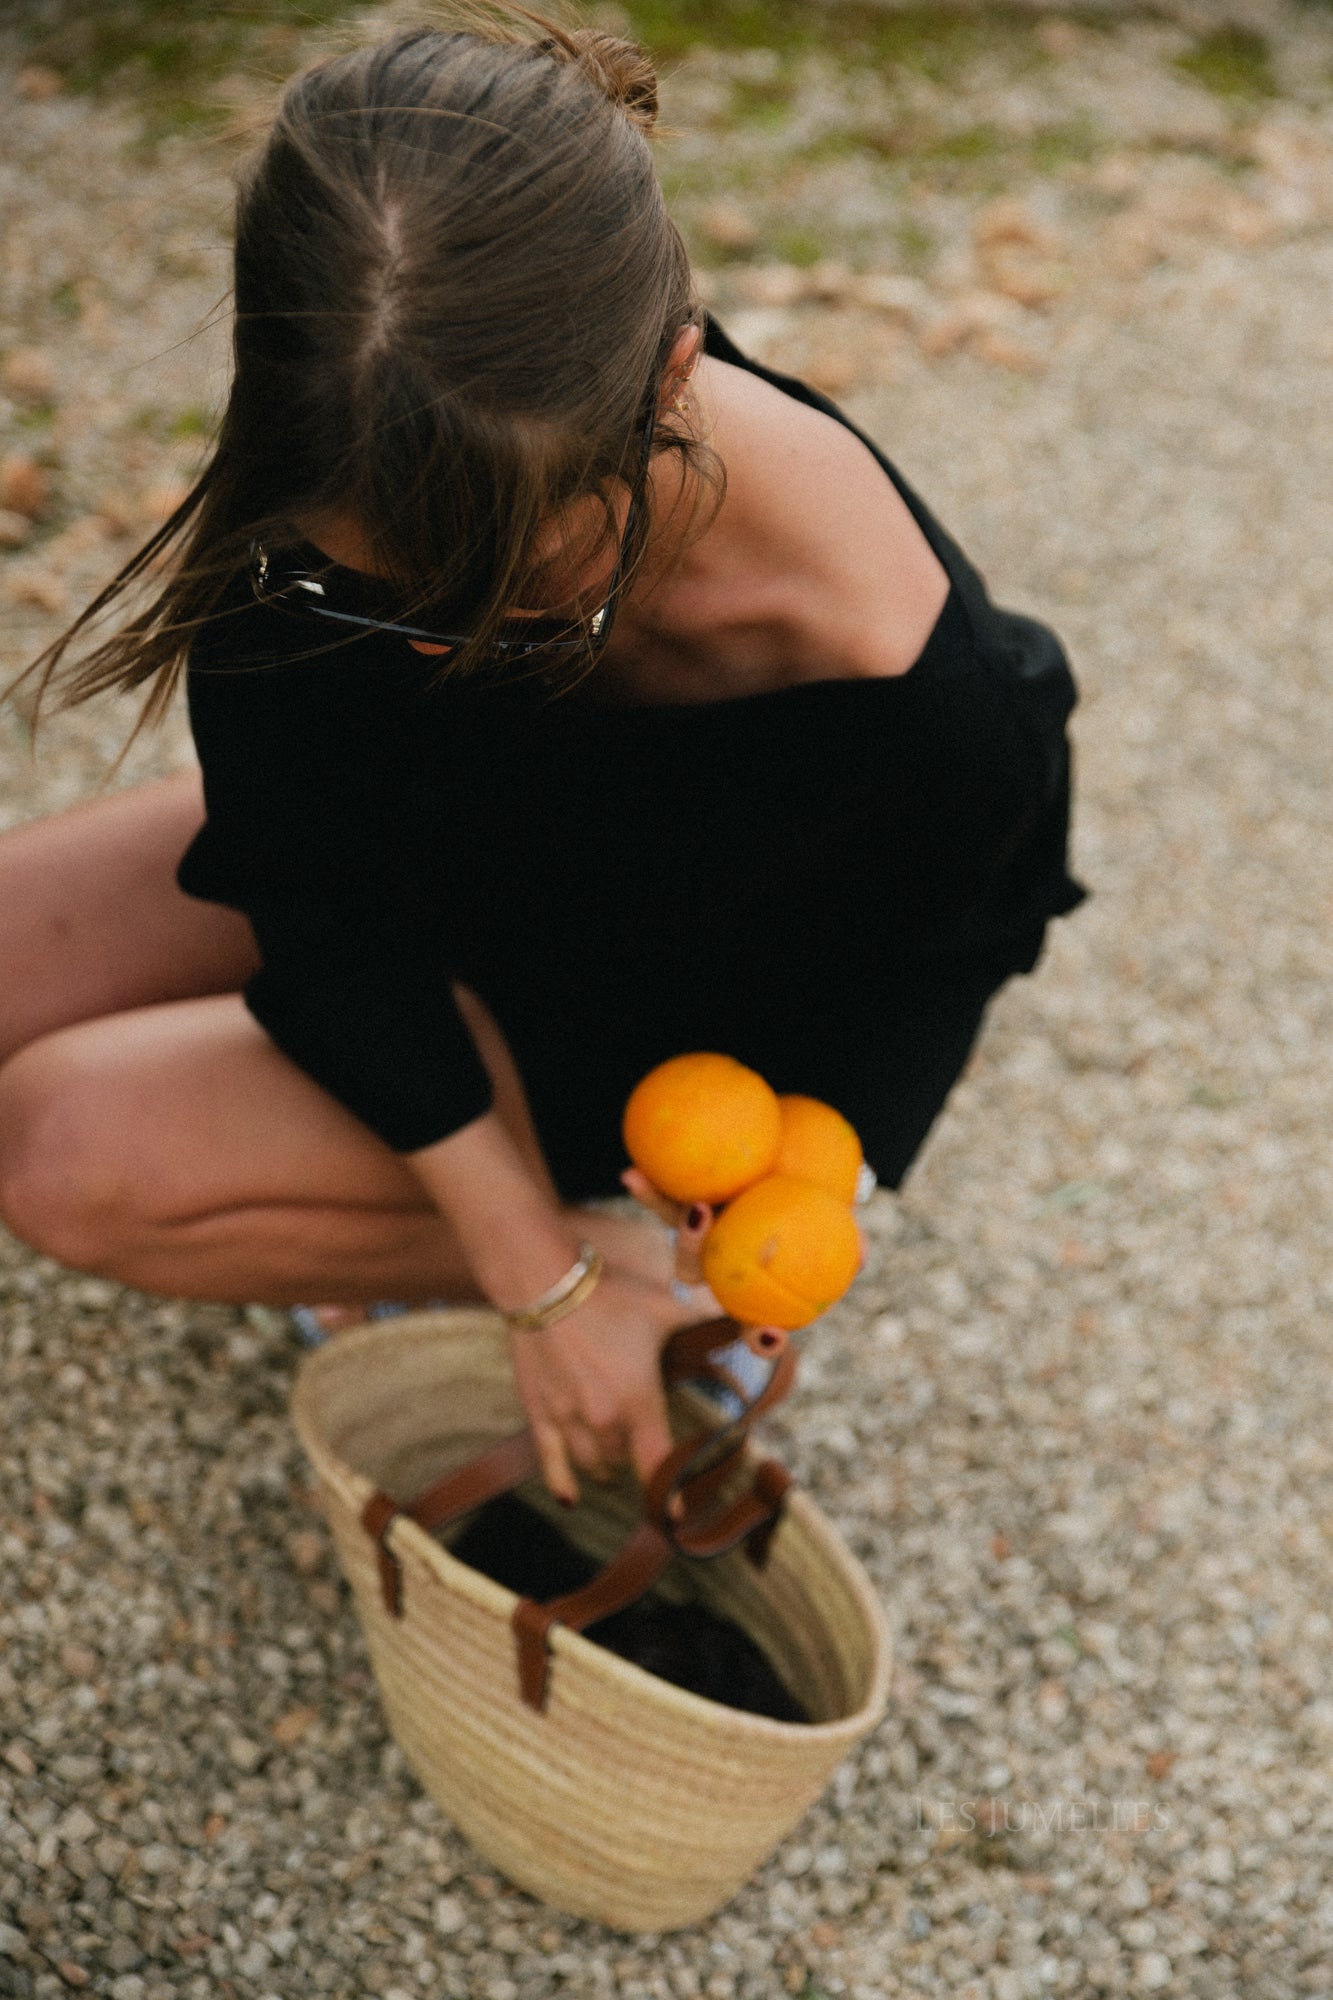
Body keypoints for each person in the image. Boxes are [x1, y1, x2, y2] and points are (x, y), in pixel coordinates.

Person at [0, 11, 1083, 1507]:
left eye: (516, 595)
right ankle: (500, 1234)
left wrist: (597, 1261)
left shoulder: (916, 699)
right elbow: (312, 879)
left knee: (60, 1147)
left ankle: (615, 1266)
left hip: (612, 1008)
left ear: (670, 385)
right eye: (367, 591)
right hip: (418, 863)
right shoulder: (353, 444)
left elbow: (953, 938)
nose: (424, 651)